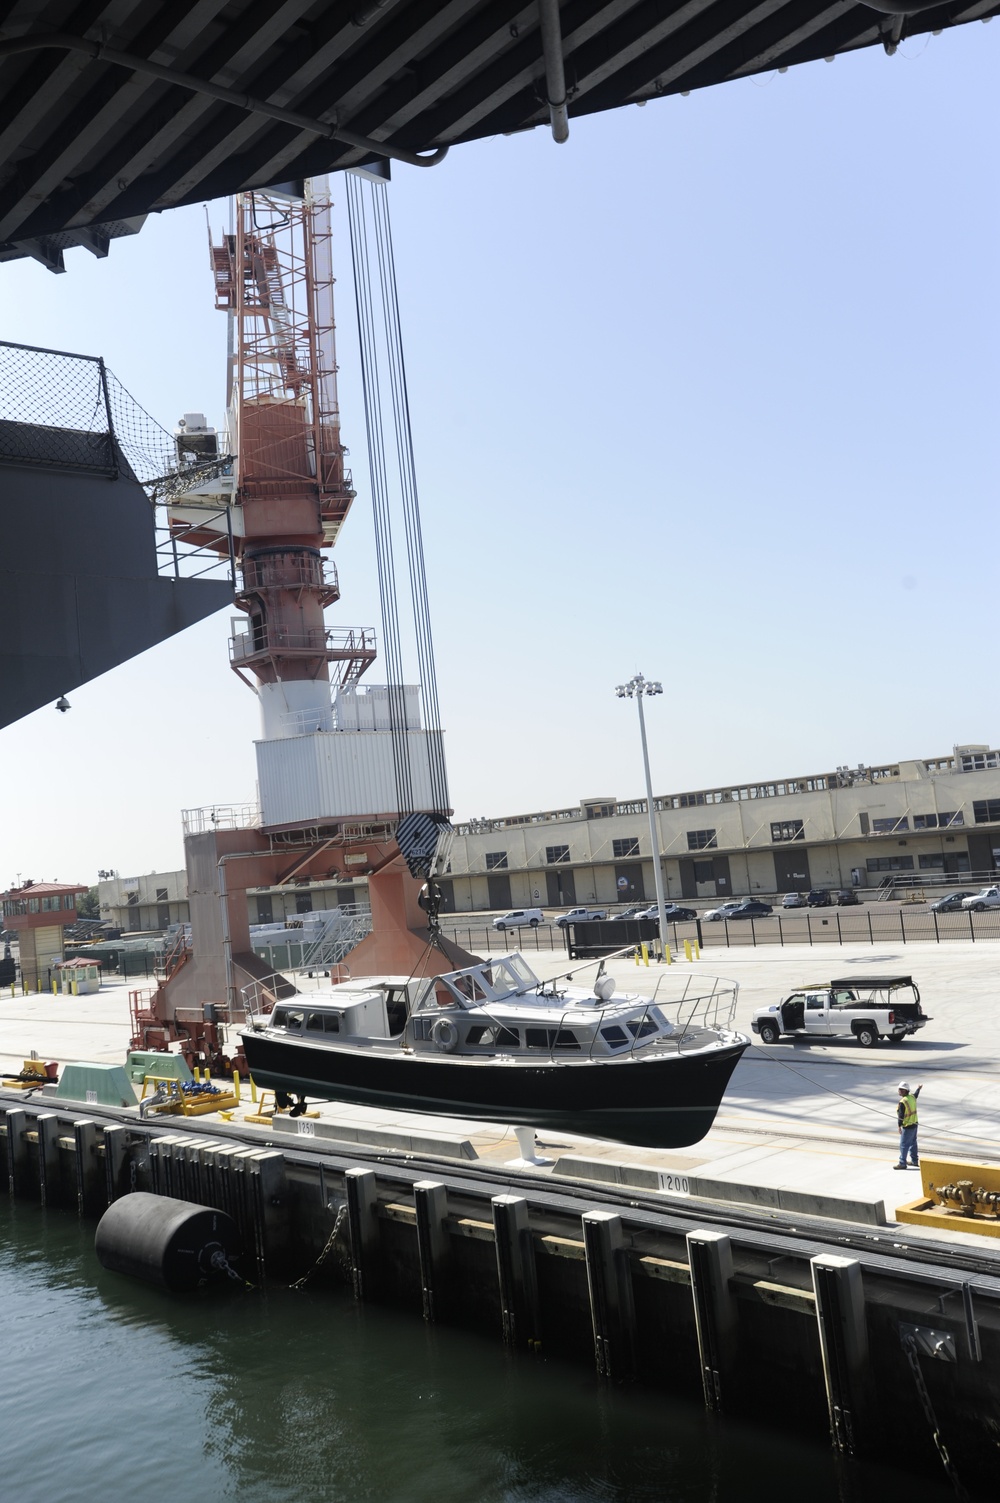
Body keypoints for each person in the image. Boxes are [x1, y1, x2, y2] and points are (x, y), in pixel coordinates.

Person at [894, 1080, 921, 1169]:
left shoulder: (903, 1102)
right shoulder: (912, 1097)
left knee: (904, 1145)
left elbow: (901, 1116)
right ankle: (914, 1161)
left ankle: (902, 1163)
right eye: (900, 1089)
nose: (900, 1091)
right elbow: (916, 1095)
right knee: (913, 1142)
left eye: (902, 1090)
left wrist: (899, 1126)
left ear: (906, 1091)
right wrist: (919, 1088)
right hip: (915, 1123)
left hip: (907, 1126)